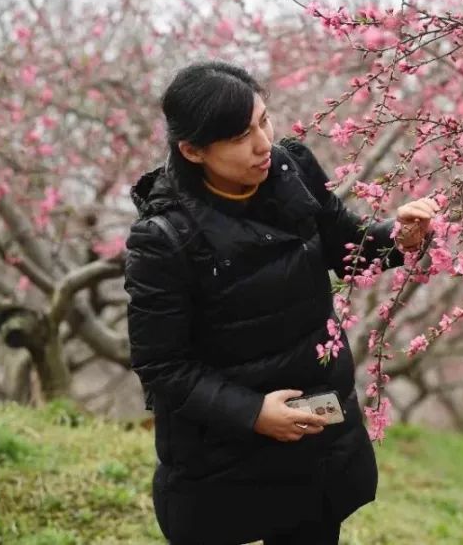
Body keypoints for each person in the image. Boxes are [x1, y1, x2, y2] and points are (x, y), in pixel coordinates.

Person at [124, 60, 439, 545]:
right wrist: (252, 413)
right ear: (192, 150)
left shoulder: (292, 169)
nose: (263, 144)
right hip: (222, 457)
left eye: (263, 121)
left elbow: (346, 247)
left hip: (313, 432)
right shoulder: (163, 238)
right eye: (238, 137)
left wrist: (401, 238)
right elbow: (163, 368)